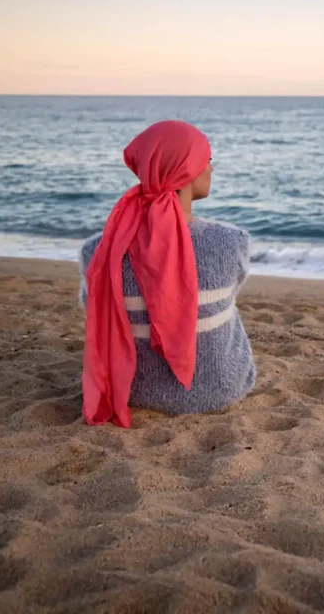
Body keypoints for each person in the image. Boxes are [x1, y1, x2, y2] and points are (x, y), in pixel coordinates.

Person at [79, 120, 256, 427]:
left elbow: (88, 305)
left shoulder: (99, 249)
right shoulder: (232, 242)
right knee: (222, 307)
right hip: (221, 390)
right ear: (187, 171)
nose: (211, 168)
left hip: (135, 392)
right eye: (207, 160)